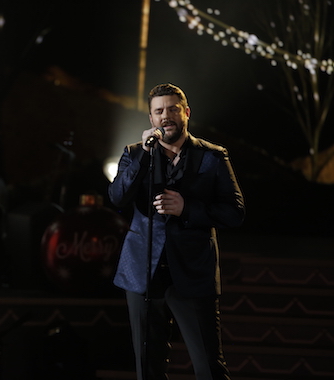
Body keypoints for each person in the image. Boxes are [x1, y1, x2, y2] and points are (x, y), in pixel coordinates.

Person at [108, 83, 245, 380]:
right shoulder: (134, 154)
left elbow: (235, 213)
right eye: (159, 111)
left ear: (186, 113)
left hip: (192, 274)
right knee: (148, 368)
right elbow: (118, 197)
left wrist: (188, 208)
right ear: (151, 119)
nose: (165, 116)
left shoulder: (213, 156)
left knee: (209, 367)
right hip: (142, 274)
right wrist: (144, 156)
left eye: (172, 109)